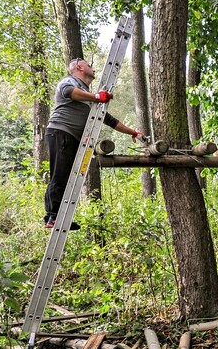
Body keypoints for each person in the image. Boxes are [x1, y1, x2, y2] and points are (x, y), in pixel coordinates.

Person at [43, 57, 144, 230]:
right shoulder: (70, 82)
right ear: (79, 67)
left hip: (73, 138)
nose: (93, 68)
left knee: (68, 177)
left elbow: (109, 119)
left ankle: (59, 217)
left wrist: (133, 132)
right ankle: (53, 216)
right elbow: (67, 91)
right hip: (61, 132)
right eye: (89, 65)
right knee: (59, 174)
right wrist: (97, 97)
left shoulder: (87, 94)